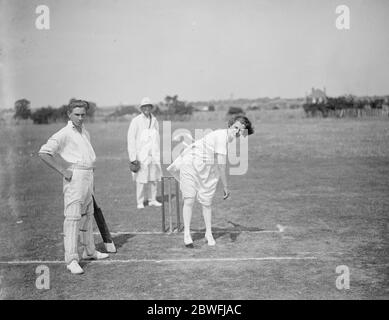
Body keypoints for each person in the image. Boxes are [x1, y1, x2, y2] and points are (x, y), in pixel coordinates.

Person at [38, 100, 109, 274]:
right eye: (76, 114)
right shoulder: (64, 133)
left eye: (83, 114)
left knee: (87, 215)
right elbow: (44, 152)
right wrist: (63, 170)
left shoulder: (85, 132)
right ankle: (71, 259)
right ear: (69, 114)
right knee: (72, 218)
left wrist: (90, 179)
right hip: (74, 176)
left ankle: (89, 251)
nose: (80, 118)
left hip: (87, 175)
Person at [167, 115, 254, 248]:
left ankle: (209, 233)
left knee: (206, 202)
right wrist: (225, 186)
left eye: (241, 130)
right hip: (190, 162)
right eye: (236, 127)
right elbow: (221, 165)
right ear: (230, 125)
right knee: (189, 199)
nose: (237, 131)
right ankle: (187, 235)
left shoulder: (228, 139)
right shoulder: (221, 137)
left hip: (205, 167)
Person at [127, 97, 162, 209]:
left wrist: (156, 151)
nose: (147, 108)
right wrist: (133, 157)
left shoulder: (155, 120)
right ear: (141, 108)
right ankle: (140, 201)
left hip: (153, 153)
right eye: (144, 107)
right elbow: (131, 139)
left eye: (148, 106)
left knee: (154, 178)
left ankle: (153, 199)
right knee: (141, 179)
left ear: (151, 108)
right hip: (141, 154)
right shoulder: (136, 121)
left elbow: (157, 137)